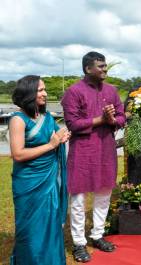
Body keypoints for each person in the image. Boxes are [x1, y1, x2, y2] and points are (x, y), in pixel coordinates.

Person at [61, 51, 126, 262]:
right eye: (101, 66)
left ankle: (97, 235)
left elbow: (122, 115)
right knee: (79, 200)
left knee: (104, 195)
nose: (105, 70)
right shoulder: (73, 92)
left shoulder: (111, 91)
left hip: (106, 150)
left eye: (106, 66)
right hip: (83, 152)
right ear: (88, 69)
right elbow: (73, 124)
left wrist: (114, 119)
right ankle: (79, 243)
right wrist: (101, 119)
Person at [9, 75, 70, 264]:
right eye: (40, 90)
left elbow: (53, 138)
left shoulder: (47, 117)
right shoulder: (17, 120)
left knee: (50, 223)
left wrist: (61, 139)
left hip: (49, 179)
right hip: (28, 182)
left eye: (44, 89)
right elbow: (17, 154)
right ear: (29, 93)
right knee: (29, 228)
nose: (45, 93)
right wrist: (52, 145)